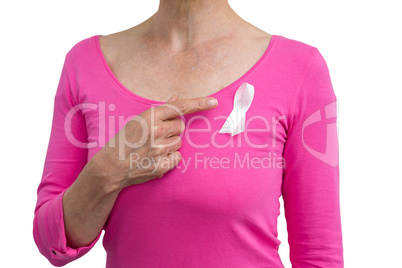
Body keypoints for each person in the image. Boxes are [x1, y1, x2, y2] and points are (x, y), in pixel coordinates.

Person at [33, 0, 344, 267]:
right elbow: (51, 242)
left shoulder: (300, 69)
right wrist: (109, 170)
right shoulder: (83, 64)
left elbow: (319, 256)